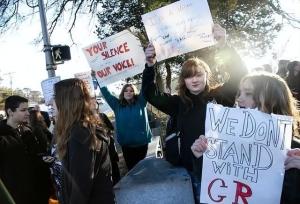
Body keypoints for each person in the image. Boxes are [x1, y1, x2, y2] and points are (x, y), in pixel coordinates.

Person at [142, 24, 247, 201]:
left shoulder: (221, 96)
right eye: (189, 76)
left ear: (206, 75)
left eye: (198, 74)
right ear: (184, 80)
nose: (195, 79)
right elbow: (150, 94)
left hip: (222, 169)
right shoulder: (177, 103)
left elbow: (240, 75)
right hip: (191, 171)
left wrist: (223, 45)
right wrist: (150, 65)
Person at [191, 72, 300, 204]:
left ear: (273, 99)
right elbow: (217, 188)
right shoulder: (227, 144)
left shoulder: (294, 152)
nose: (239, 99)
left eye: (248, 94)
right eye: (240, 93)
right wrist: (202, 156)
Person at [53, 78, 115, 204]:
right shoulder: (80, 130)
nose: (50, 102)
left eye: (55, 96)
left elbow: (80, 189)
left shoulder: (80, 135)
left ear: (66, 101)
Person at [0, 95, 51, 204]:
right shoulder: (2, 136)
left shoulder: (26, 132)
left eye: (27, 110)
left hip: (35, 192)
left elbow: (31, 158)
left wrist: (42, 159)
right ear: (10, 111)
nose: (28, 113)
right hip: (15, 195)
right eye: (23, 110)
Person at [99, 83, 152, 171]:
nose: (128, 92)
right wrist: (97, 78)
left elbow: (146, 86)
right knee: (132, 171)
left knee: (145, 170)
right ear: (122, 93)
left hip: (142, 145)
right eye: (126, 90)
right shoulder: (117, 105)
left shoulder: (141, 102)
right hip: (127, 146)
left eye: (131, 91)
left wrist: (148, 70)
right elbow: (106, 93)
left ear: (134, 93)